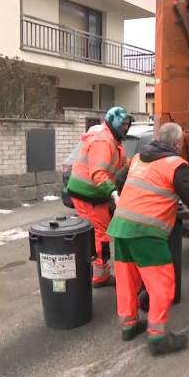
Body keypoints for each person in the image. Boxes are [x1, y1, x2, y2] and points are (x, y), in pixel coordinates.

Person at [108, 122, 189, 355]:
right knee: (163, 283)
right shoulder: (175, 164)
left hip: (121, 225)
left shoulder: (138, 158)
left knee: (127, 280)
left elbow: (120, 179)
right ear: (177, 143)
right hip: (146, 231)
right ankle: (158, 338)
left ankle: (129, 326)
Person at [66, 106, 132, 288]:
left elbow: (125, 163)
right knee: (100, 235)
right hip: (88, 195)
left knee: (97, 233)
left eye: (128, 124)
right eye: (124, 124)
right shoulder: (103, 140)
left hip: (92, 193)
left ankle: (95, 271)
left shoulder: (111, 138)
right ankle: (100, 277)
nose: (126, 127)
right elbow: (98, 174)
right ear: (115, 123)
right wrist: (114, 194)